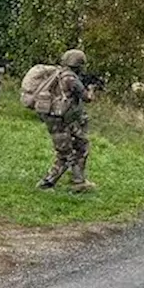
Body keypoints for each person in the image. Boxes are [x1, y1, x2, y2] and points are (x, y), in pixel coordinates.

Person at [35, 49, 95, 192]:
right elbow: (87, 98)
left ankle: (79, 181)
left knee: (82, 145)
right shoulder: (71, 79)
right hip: (60, 121)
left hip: (63, 119)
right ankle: (46, 183)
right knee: (66, 154)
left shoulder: (58, 74)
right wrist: (92, 89)